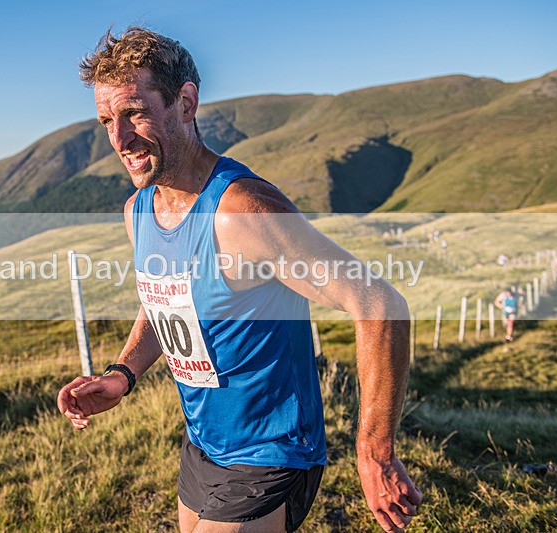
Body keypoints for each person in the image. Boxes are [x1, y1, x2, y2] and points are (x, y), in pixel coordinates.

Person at [57, 27, 422, 532]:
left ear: (186, 103)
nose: (118, 140)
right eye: (106, 121)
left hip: (272, 451)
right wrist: (123, 374)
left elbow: (379, 304)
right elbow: (166, 299)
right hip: (204, 443)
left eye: (135, 113)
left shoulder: (242, 211)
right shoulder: (138, 210)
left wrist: (375, 452)